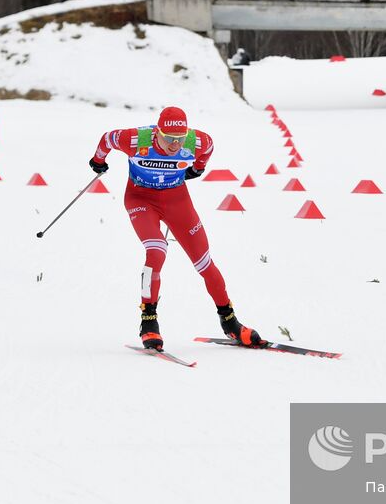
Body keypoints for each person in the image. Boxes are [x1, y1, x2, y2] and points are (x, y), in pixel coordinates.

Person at [88, 106, 263, 352]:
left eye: (179, 139)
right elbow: (108, 138)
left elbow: (209, 148)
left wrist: (198, 168)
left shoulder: (197, 141)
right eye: (169, 138)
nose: (174, 144)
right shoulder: (135, 139)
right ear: (156, 132)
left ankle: (230, 322)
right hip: (141, 199)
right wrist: (98, 160)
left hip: (176, 201)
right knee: (157, 250)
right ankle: (148, 321)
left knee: (204, 262)